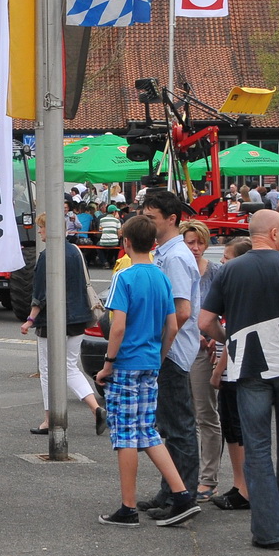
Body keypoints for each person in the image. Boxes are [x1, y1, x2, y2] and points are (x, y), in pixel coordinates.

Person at [199, 212, 279, 550]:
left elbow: (205, 320)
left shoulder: (230, 271)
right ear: (274, 233)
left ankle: (268, 533)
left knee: (256, 448)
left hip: (249, 369)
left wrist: (230, 337)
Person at [94, 216, 199, 528]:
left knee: (125, 436)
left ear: (125, 242)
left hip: (126, 363)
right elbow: (172, 324)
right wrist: (161, 354)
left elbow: (118, 325)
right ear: (154, 242)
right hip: (151, 363)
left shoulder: (125, 278)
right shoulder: (161, 277)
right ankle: (181, 493)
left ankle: (128, 507)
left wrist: (108, 363)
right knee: (147, 431)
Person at [133, 192, 201, 515]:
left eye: (152, 216)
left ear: (171, 219)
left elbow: (182, 311)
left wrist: (161, 350)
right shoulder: (167, 252)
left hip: (172, 351)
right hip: (169, 348)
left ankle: (182, 494)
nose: (147, 222)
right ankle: (170, 489)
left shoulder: (175, 257)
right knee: (167, 426)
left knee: (178, 426)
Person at [21, 213, 105, 435]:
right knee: (69, 367)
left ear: (51, 229)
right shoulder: (75, 252)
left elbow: (40, 293)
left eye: (42, 228)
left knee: (48, 370)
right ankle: (96, 408)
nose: (39, 232)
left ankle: (49, 419)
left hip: (52, 321)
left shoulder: (48, 256)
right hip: (78, 318)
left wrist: (30, 319)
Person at [208, 238, 253, 510]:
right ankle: (239, 484)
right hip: (232, 367)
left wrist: (218, 369)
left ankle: (245, 488)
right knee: (231, 430)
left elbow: (234, 336)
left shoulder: (240, 291)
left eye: (227, 257)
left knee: (238, 430)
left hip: (235, 371)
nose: (222, 262)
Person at [179, 220, 221, 501]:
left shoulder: (215, 272)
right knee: (181, 417)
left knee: (205, 414)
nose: (195, 248)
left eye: (200, 243)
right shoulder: (176, 266)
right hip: (178, 347)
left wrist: (217, 335)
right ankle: (183, 477)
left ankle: (208, 478)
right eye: (190, 242)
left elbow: (222, 310)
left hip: (203, 350)